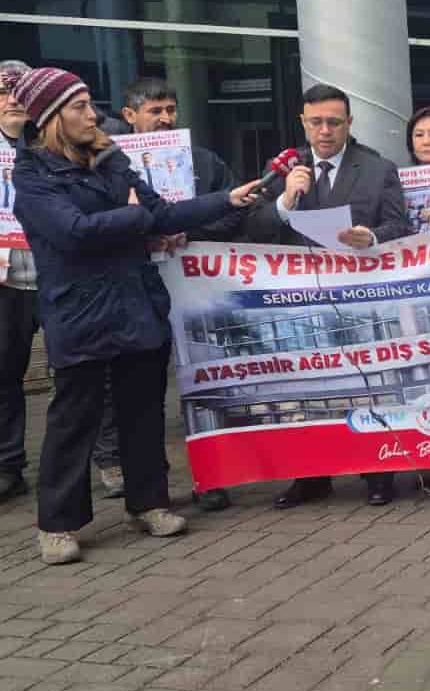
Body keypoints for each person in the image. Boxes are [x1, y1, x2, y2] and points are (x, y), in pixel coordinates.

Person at [10, 68, 263, 564]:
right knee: (73, 419)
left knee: (143, 413)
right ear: (53, 117)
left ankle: (149, 503)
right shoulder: (32, 175)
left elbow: (160, 214)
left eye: (90, 103)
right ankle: (58, 524)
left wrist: (224, 200)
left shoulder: (112, 159)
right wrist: (133, 218)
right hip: (80, 311)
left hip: (135, 303)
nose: (93, 115)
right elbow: (73, 233)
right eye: (80, 106)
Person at [246, 83, 410, 508]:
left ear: (349, 123)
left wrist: (372, 237)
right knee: (305, 388)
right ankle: (311, 475)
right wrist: (285, 201)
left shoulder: (377, 168)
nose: (324, 131)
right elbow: (253, 228)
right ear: (303, 122)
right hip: (299, 300)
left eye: (334, 122)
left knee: (367, 386)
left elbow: (401, 227)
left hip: (360, 297)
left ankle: (377, 472)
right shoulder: (283, 167)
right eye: (316, 122)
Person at [96, 78, 241, 511]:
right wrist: (143, 234)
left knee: (202, 381)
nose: (165, 118)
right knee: (134, 387)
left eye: (170, 110)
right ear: (129, 115)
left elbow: (234, 215)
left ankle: (211, 475)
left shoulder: (203, 161)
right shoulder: (105, 166)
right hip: (134, 289)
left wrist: (188, 232)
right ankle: (130, 470)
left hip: (194, 288)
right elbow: (96, 225)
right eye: (155, 110)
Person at [0, 61, 37, 505]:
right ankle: (8, 466)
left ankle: (104, 459)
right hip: (6, 282)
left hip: (60, 274)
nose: (12, 100)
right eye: (2, 92)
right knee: (4, 373)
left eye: (20, 91)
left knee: (82, 373)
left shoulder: (54, 142)